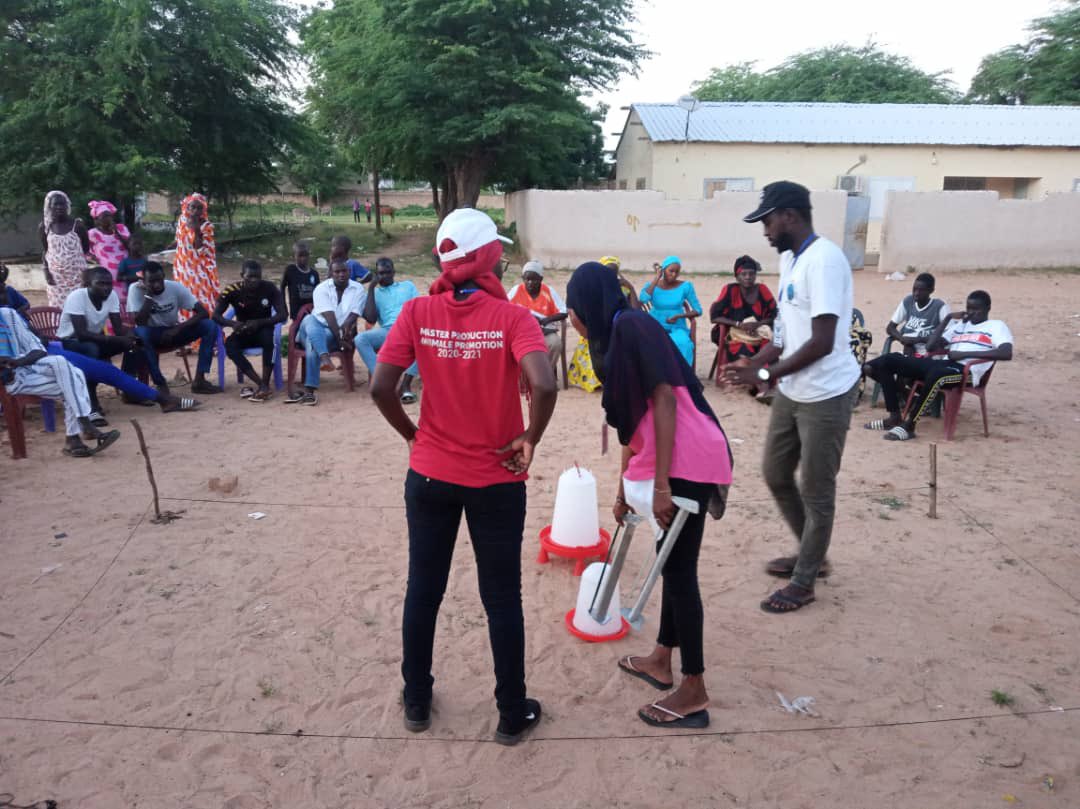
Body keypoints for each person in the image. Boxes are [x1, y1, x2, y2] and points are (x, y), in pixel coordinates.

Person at [370, 208, 557, 745]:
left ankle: (417, 699)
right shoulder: (514, 318)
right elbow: (545, 385)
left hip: (430, 475)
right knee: (502, 598)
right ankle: (511, 712)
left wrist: (413, 435)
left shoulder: (417, 311)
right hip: (497, 478)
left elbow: (381, 387)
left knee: (423, 589)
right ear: (490, 258)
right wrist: (530, 438)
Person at [565, 262, 732, 730]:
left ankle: (694, 688)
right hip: (668, 457)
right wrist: (622, 489)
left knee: (679, 573)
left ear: (586, 306)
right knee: (670, 562)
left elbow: (664, 399)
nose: (571, 318)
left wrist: (660, 487)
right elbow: (630, 425)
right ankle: (662, 657)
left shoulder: (632, 326)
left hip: (688, 458)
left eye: (572, 309)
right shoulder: (613, 336)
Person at [724, 181, 861, 613]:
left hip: (827, 393)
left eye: (767, 221)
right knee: (776, 472)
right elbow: (784, 334)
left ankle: (805, 580)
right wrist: (755, 364)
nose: (765, 231)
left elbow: (821, 341)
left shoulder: (825, 261)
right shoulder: (790, 259)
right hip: (794, 388)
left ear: (789, 216)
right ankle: (811, 553)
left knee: (817, 490)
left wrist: (766, 373)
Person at [871, 290, 1012, 442]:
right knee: (889, 360)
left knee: (936, 374)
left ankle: (910, 425)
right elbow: (931, 346)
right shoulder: (961, 325)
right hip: (944, 363)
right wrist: (947, 319)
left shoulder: (996, 326)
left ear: (988, 308)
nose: (971, 313)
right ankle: (894, 416)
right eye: (969, 308)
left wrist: (963, 355)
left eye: (976, 309)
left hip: (967, 372)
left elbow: (1006, 353)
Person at [0, 306, 121, 457]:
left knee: (61, 363)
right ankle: (77, 434)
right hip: (11, 380)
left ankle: (81, 430)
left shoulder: (8, 315)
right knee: (75, 378)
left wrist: (18, 362)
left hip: (27, 366)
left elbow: (38, 349)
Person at [862, 272, 949, 430]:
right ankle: (909, 398)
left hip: (927, 358)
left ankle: (895, 416)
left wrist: (916, 340)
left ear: (931, 290)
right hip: (907, 356)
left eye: (921, 290)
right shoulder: (908, 302)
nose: (916, 293)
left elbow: (946, 338)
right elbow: (890, 328)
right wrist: (903, 339)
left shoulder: (939, 307)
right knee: (868, 368)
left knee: (886, 363)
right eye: (914, 289)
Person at [126, 262, 223, 396]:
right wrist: (149, 296)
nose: (157, 285)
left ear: (163, 276)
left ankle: (200, 380)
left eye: (159, 280)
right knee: (140, 333)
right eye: (151, 282)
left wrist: (178, 328)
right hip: (150, 336)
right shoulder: (135, 289)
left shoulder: (175, 287)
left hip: (173, 332)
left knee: (209, 325)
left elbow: (203, 313)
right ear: (143, 281)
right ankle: (161, 384)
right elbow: (140, 322)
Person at [57, 266, 138, 423]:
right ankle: (91, 406)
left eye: (109, 283)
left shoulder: (111, 296)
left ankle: (129, 390)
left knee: (134, 344)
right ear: (88, 284)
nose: (106, 287)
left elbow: (118, 329)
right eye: (100, 283)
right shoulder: (77, 297)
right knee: (91, 351)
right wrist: (114, 339)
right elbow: (81, 334)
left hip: (94, 340)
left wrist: (132, 334)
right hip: (70, 342)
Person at [286, 258, 365, 406]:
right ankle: (324, 357)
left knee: (312, 343)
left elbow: (354, 314)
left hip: (330, 333)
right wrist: (340, 340)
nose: (341, 274)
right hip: (311, 328)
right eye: (337, 271)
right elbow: (329, 316)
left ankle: (310, 391)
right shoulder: (321, 288)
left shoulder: (358, 289)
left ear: (349, 272)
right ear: (331, 273)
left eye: (344, 271)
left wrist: (345, 329)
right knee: (310, 319)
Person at [214, 260, 286, 402]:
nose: (254, 280)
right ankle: (261, 384)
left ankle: (265, 383)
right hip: (243, 331)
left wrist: (259, 322)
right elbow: (215, 316)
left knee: (270, 341)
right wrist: (233, 323)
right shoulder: (232, 290)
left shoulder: (270, 288)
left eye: (257, 277)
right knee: (230, 346)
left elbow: (283, 315)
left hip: (263, 329)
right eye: (250, 277)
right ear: (242, 275)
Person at [354, 257, 420, 402]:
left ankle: (405, 384)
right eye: (381, 273)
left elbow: (418, 308)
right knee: (360, 339)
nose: (385, 276)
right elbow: (370, 318)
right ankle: (382, 379)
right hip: (388, 331)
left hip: (409, 327)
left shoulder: (408, 286)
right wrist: (371, 288)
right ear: (376, 274)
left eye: (388, 272)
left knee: (428, 340)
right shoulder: (374, 293)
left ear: (394, 272)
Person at [709, 255, 777, 364]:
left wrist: (758, 324)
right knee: (743, 353)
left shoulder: (762, 289)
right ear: (737, 277)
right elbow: (714, 316)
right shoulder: (730, 290)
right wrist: (739, 324)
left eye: (751, 274)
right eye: (743, 274)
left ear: (755, 275)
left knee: (769, 351)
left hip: (760, 334)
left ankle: (764, 372)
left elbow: (775, 315)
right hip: (737, 336)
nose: (748, 277)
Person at [639, 256, 702, 368]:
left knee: (684, 343)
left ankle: (681, 374)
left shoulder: (686, 286)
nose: (674, 274)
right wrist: (657, 278)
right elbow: (643, 299)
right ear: (663, 270)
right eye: (671, 271)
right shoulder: (652, 285)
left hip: (677, 326)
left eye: (677, 272)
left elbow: (698, 310)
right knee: (650, 343)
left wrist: (679, 315)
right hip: (655, 325)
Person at [507, 260, 568, 375]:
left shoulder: (548, 291)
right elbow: (505, 308)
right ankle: (525, 376)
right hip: (522, 332)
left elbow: (564, 312)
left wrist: (545, 320)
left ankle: (545, 374)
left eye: (534, 279)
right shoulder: (516, 290)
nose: (530, 283)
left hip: (545, 330)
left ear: (540, 279)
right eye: (527, 279)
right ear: (523, 278)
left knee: (555, 343)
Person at [170, 193, 220, 316]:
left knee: (201, 297)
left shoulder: (206, 226)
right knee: (184, 297)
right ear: (187, 207)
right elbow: (179, 239)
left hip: (199, 269)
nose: (196, 211)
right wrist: (168, 248)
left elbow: (202, 251)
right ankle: (187, 324)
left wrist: (197, 230)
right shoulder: (182, 220)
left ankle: (205, 325)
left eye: (199, 208)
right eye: (193, 207)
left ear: (204, 209)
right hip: (182, 268)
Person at [39, 190, 90, 308]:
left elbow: (85, 249)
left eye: (62, 204)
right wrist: (46, 272)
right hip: (56, 279)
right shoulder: (45, 227)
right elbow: (46, 251)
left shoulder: (78, 226)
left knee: (79, 307)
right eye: (55, 204)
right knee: (58, 310)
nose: (59, 207)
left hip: (78, 277)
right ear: (49, 207)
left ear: (67, 206)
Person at [87, 200, 131, 306]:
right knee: (111, 302)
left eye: (110, 216)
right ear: (97, 219)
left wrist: (117, 233)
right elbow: (85, 251)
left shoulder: (121, 228)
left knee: (128, 302)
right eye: (105, 216)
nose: (109, 219)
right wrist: (94, 260)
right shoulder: (93, 233)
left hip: (126, 273)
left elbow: (130, 246)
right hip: (107, 276)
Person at [279, 241, 320, 322]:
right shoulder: (290, 270)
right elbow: (282, 287)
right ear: (294, 256)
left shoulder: (314, 273)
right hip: (297, 312)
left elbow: (318, 293)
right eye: (300, 255)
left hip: (311, 311)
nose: (303, 258)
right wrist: (283, 307)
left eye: (306, 255)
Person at [116, 233, 148, 297]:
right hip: (132, 293)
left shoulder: (144, 260)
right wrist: (132, 278)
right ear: (128, 245)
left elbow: (147, 273)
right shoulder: (125, 262)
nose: (137, 246)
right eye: (135, 244)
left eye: (139, 244)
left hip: (145, 291)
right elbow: (118, 278)